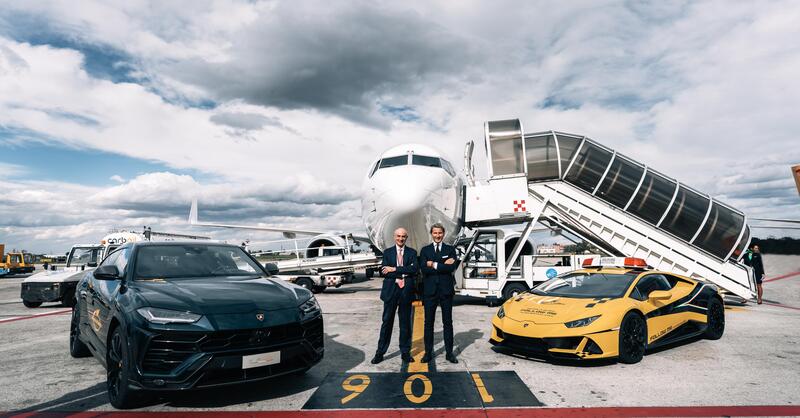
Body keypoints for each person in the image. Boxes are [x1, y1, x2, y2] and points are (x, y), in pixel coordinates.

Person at [372, 227, 418, 364]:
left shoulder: (412, 252)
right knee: (387, 322)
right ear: (394, 236)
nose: (400, 238)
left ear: (406, 238)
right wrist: (404, 271)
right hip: (391, 292)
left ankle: (405, 352)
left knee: (405, 324)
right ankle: (380, 352)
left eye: (403, 236)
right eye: (398, 236)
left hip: (406, 292)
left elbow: (414, 269)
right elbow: (383, 272)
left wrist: (395, 269)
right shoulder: (387, 252)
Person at [418, 223, 460, 364]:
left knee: (447, 323)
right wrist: (443, 264)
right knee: (428, 323)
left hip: (446, 291)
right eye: (435, 233)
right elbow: (424, 269)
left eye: (440, 233)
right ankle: (428, 353)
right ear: (432, 234)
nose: (437, 235)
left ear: (443, 234)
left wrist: (434, 264)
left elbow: (451, 268)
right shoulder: (425, 250)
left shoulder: (450, 249)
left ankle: (449, 353)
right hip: (430, 292)